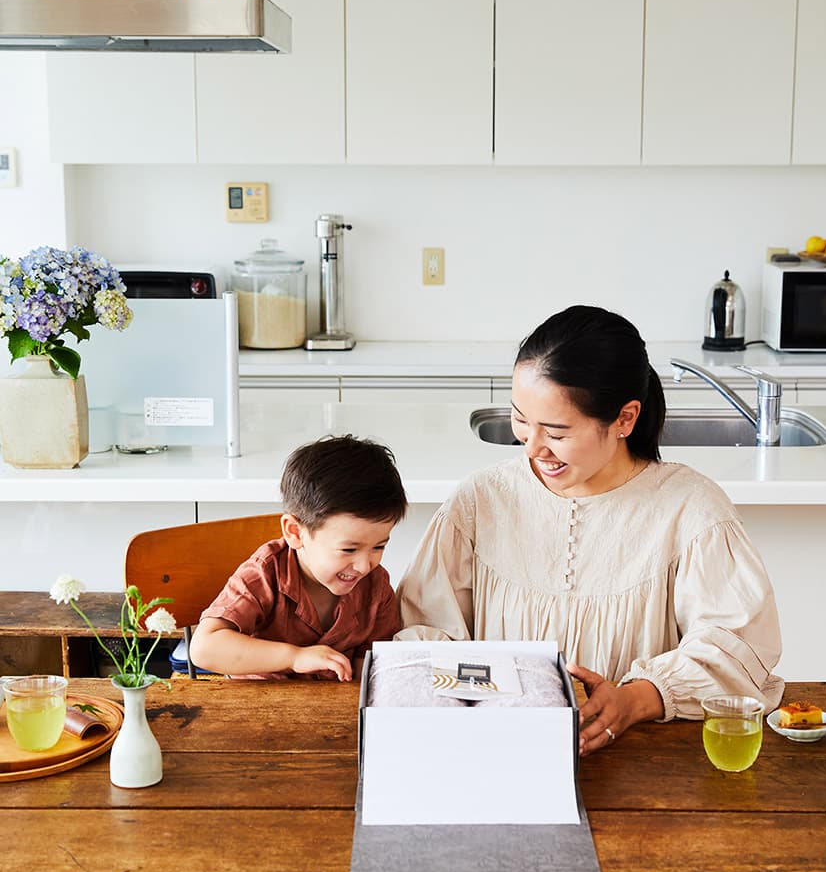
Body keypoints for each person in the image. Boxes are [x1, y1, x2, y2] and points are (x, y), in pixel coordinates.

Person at [396, 305, 783, 753]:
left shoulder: (692, 510)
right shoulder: (481, 499)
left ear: (624, 419)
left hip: (647, 760)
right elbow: (424, 632)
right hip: (499, 751)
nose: (533, 448)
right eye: (521, 420)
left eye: (556, 433)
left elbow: (735, 649)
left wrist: (636, 699)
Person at [190, 435, 408, 680]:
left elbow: (372, 668)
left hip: (332, 702)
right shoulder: (265, 573)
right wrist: (294, 657)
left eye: (379, 546)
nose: (364, 565)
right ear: (295, 532)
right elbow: (204, 648)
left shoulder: (376, 587)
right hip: (257, 700)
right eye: (349, 550)